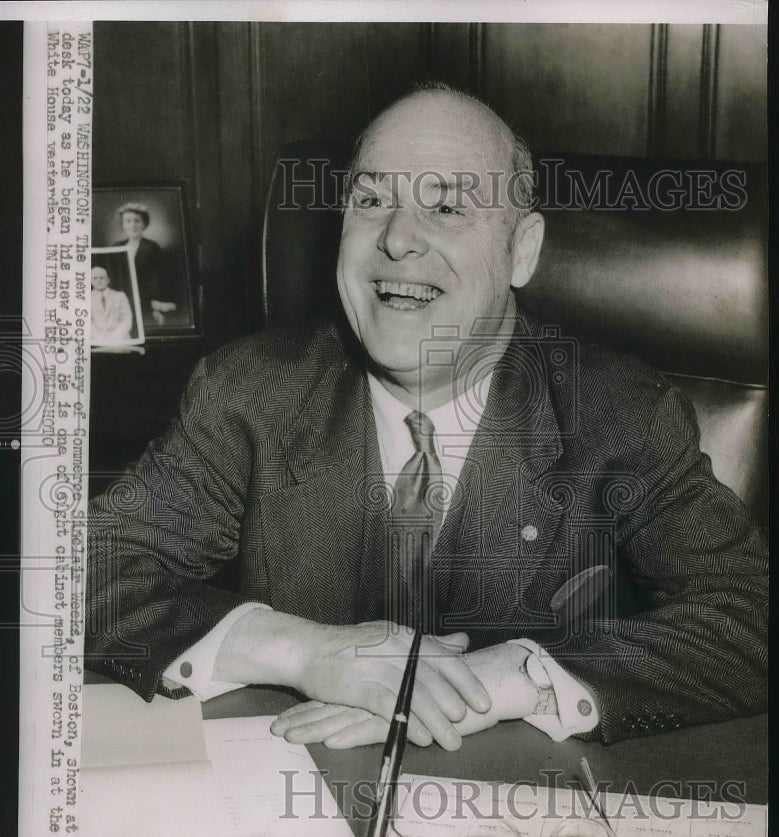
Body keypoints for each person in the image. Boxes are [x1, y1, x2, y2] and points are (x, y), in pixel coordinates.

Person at [86, 84, 767, 749]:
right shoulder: (249, 391)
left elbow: (751, 618)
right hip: (303, 791)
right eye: (371, 200)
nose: (397, 238)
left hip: (520, 814)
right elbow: (80, 571)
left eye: (446, 209)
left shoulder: (618, 412)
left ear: (521, 251)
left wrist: (509, 678)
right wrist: (301, 651)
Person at [114, 202, 177, 327]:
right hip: (122, 302)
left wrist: (155, 305)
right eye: (128, 221)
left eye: (137, 221)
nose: (133, 225)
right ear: (123, 225)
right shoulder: (116, 247)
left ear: (144, 224)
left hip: (147, 302)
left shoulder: (152, 248)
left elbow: (158, 278)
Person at [90, 265, 134, 345]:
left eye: (102, 278)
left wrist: (115, 337)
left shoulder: (120, 296)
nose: (99, 281)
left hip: (121, 339)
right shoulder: (86, 299)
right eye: (95, 278)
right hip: (97, 341)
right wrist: (99, 337)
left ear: (107, 280)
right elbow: (87, 323)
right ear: (91, 281)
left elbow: (127, 319)